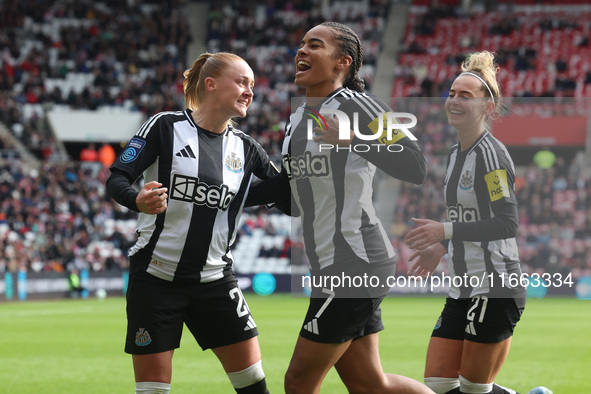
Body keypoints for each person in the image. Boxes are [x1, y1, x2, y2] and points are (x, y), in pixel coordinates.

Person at [248, 22, 432, 394]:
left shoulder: (359, 106)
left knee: (299, 380)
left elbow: (415, 165)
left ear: (342, 63)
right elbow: (293, 194)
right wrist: (225, 193)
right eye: (301, 44)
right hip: (331, 265)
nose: (301, 51)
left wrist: (357, 139)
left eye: (315, 45)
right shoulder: (298, 118)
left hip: (356, 260)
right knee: (370, 384)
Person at [106, 52, 277, 394]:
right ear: (210, 84)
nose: (250, 91)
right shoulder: (165, 127)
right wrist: (136, 199)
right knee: (153, 391)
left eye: (253, 85)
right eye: (242, 82)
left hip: (215, 281)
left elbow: (286, 196)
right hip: (155, 279)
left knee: (254, 386)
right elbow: (118, 177)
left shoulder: (247, 149)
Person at [404, 51, 551, 394]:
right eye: (452, 94)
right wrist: (442, 245)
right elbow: (473, 218)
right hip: (463, 286)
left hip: (496, 285)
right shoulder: (456, 154)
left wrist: (445, 230)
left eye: (465, 96)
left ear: (487, 107)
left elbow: (505, 223)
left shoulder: (491, 154)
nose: (454, 100)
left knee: (472, 389)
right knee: (439, 383)